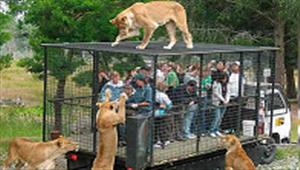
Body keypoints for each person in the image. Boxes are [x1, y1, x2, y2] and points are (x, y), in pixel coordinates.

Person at [210, 72, 230, 138]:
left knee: (221, 117)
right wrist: (223, 100)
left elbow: (228, 92)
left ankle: (217, 129)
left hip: (224, 103)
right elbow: (216, 93)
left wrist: (226, 100)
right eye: (223, 79)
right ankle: (212, 130)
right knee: (217, 116)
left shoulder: (227, 84)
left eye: (226, 79)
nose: (224, 80)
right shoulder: (216, 83)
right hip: (217, 102)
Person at [154, 82, 173, 148]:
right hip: (162, 112)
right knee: (163, 127)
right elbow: (170, 105)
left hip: (155, 112)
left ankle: (156, 141)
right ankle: (164, 141)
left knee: (156, 127)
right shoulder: (164, 95)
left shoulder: (154, 93)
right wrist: (167, 107)